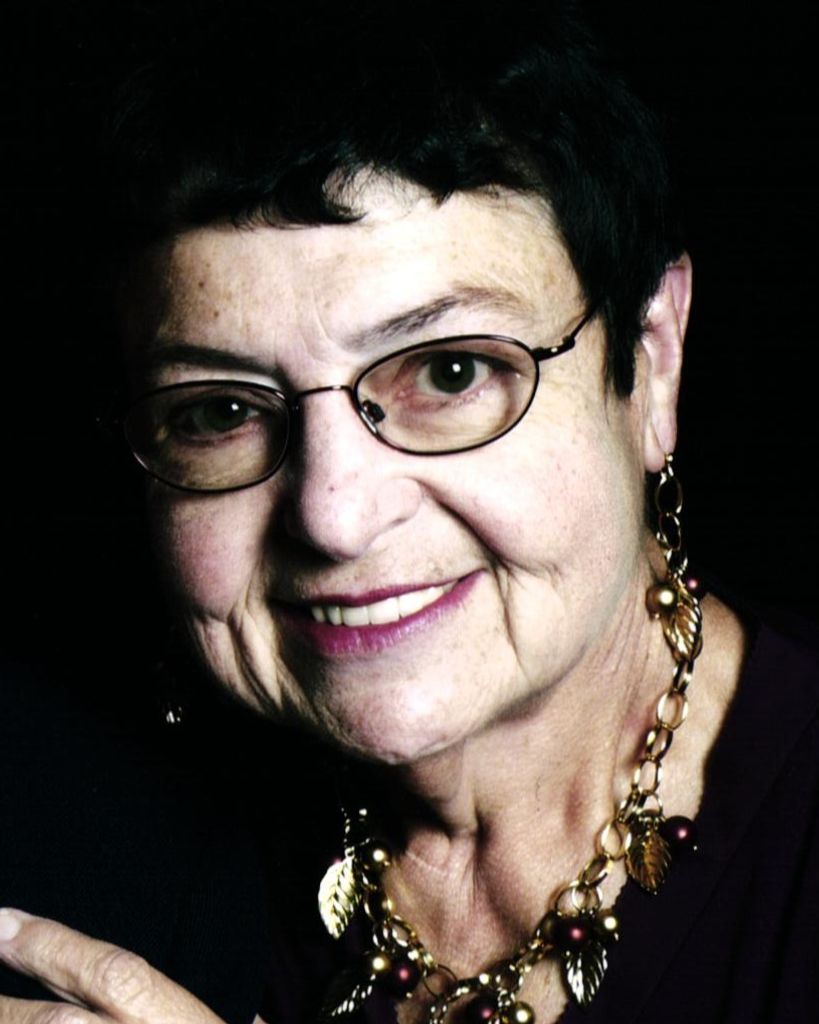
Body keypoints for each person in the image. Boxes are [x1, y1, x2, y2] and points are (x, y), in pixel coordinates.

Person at [1, 2, 817, 1022]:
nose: (333, 517)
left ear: (649, 362)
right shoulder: (63, 819)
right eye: (221, 412)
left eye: (449, 370)